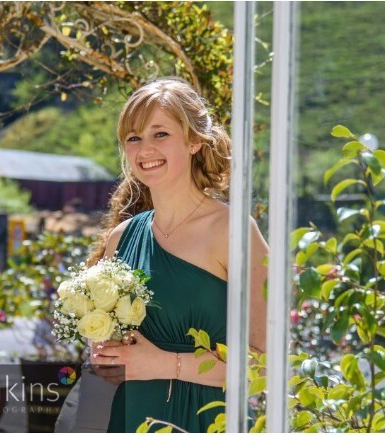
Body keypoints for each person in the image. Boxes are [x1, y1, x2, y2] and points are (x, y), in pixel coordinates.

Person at [80, 77, 267, 433]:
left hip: (205, 420)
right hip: (131, 416)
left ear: (195, 141)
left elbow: (262, 366)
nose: (144, 149)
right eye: (134, 138)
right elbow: (119, 349)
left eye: (160, 134)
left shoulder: (233, 231)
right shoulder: (122, 237)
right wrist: (108, 356)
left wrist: (163, 364)